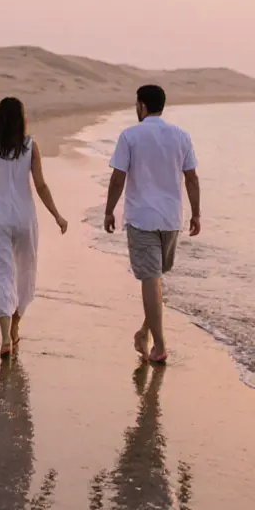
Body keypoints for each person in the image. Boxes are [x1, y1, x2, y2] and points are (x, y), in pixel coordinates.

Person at [103, 85, 200, 364]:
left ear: (142, 106)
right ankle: (146, 334)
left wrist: (109, 211)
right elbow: (192, 178)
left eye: (137, 104)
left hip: (143, 219)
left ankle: (158, 345)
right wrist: (196, 214)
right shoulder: (181, 136)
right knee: (154, 279)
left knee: (151, 280)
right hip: (171, 220)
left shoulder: (130, 135)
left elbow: (118, 178)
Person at [0, 97, 68, 358]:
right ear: (21, 119)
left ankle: (5, 338)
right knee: (24, 270)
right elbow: (41, 185)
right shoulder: (30, 147)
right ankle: (15, 327)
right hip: (24, 217)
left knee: (1, 273)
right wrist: (57, 215)